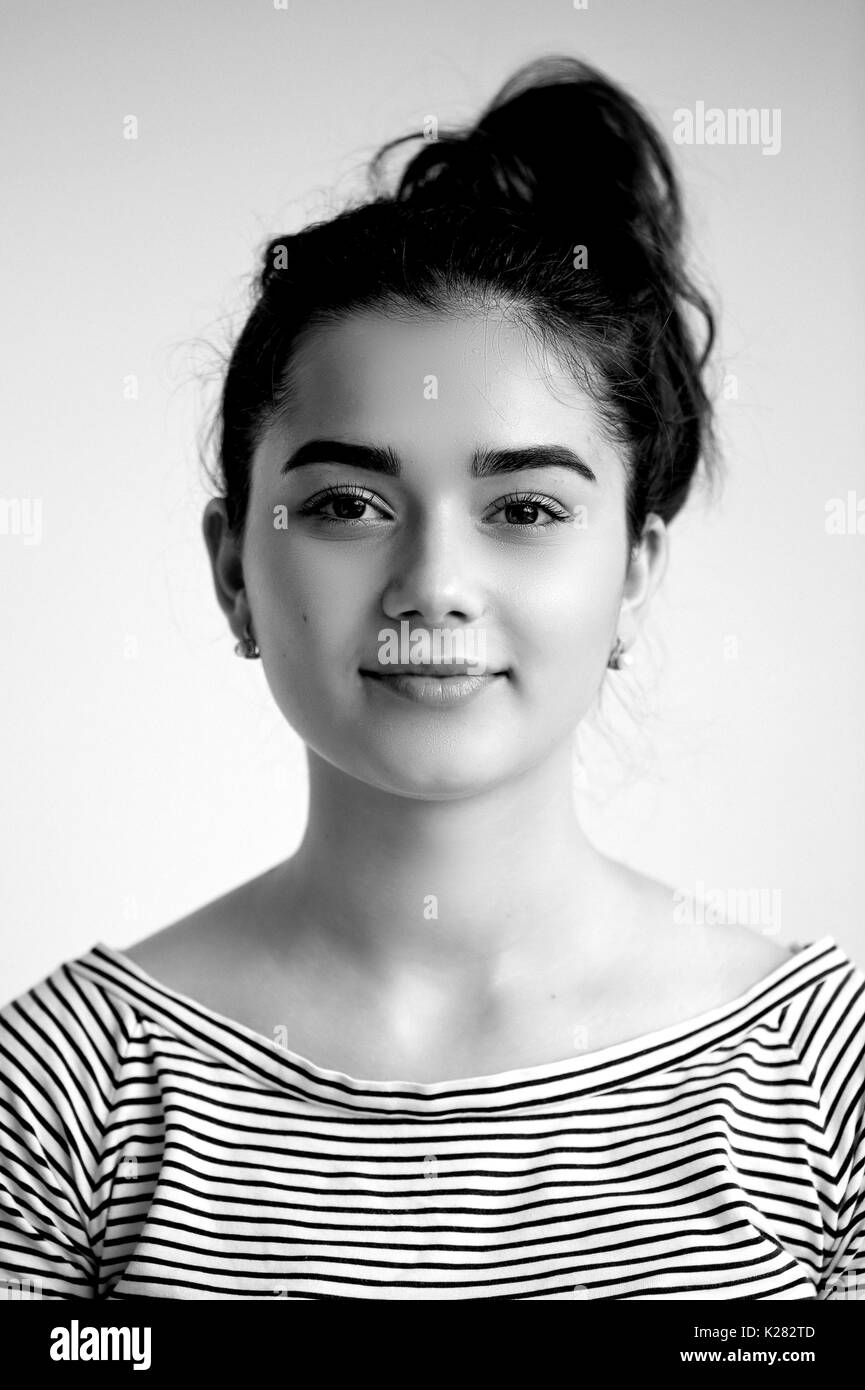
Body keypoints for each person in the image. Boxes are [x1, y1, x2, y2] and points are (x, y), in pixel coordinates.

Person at [2, 55, 863, 1302]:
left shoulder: (828, 1080)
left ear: (632, 569)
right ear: (233, 569)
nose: (433, 581)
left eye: (522, 505)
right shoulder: (58, 1101)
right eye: (348, 503)